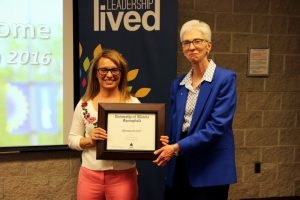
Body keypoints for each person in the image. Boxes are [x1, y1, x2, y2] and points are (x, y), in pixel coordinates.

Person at [153, 19, 237, 200]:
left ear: (209, 45)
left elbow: (217, 127)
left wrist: (175, 147)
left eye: (197, 41)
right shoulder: (178, 84)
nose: (191, 47)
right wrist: (168, 140)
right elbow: (177, 124)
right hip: (180, 162)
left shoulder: (225, 79)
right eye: (186, 43)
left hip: (210, 166)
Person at [68, 49, 168, 200]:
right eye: (104, 70)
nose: (109, 75)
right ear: (96, 73)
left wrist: (156, 142)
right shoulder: (84, 105)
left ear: (121, 73)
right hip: (90, 176)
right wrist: (89, 140)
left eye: (114, 70)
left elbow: (143, 137)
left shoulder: (133, 103)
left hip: (124, 177)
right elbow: (72, 140)